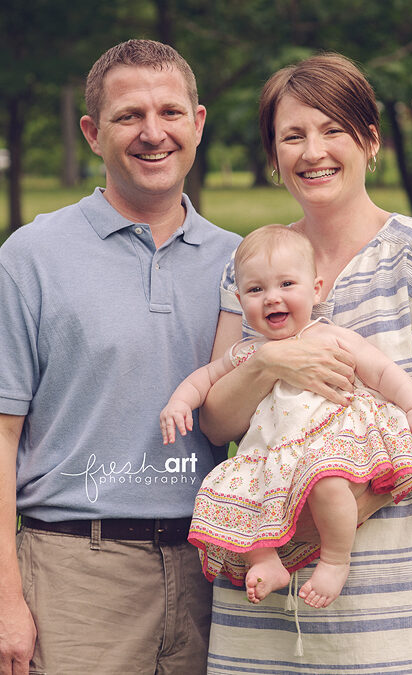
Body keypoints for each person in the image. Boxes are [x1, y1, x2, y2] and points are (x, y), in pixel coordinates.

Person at [199, 54, 412, 672]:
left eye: (334, 129)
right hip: (263, 579)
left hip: (392, 578)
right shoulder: (252, 270)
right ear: (273, 158)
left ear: (371, 141)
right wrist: (273, 361)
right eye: (292, 136)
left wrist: (342, 516)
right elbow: (217, 423)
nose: (313, 150)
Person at [0, 39, 241, 675]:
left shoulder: (246, 265)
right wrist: (4, 602)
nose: (152, 133)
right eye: (129, 115)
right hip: (75, 574)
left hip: (214, 570)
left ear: (198, 123)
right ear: (91, 133)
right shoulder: (31, 257)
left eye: (170, 112)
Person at [161, 224, 412, 609]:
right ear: (241, 299)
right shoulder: (246, 352)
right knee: (233, 493)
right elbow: (205, 379)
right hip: (272, 457)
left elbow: (381, 372)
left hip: (325, 443)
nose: (272, 298)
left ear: (316, 289)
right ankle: (265, 560)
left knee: (327, 482)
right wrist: (179, 402)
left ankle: (336, 559)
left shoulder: (327, 336)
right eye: (257, 290)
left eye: (286, 284)